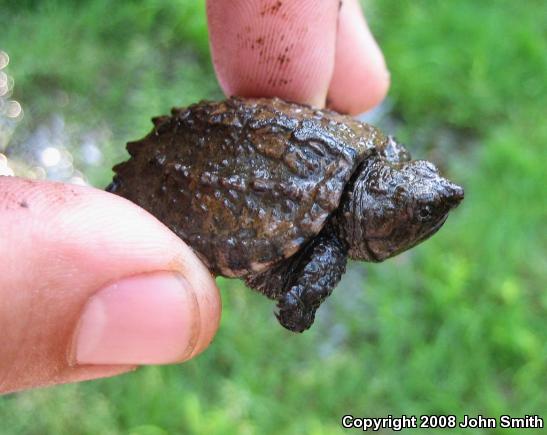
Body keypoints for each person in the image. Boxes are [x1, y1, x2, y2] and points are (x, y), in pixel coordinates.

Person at [0, 0, 388, 394]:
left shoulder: (354, 170)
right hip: (175, 185)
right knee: (107, 245)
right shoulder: (332, 239)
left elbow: (296, 302)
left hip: (182, 155)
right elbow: (296, 306)